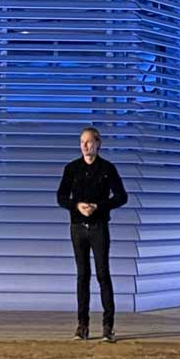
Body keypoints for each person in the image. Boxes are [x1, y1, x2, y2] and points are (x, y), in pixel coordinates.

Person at [55, 126, 128, 342]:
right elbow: (61, 197)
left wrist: (98, 206)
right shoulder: (71, 168)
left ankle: (108, 326)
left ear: (98, 143)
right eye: (82, 142)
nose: (85, 146)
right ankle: (82, 326)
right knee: (82, 276)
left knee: (103, 274)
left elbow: (121, 196)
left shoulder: (107, 168)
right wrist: (76, 206)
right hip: (78, 227)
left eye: (88, 142)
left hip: (98, 226)